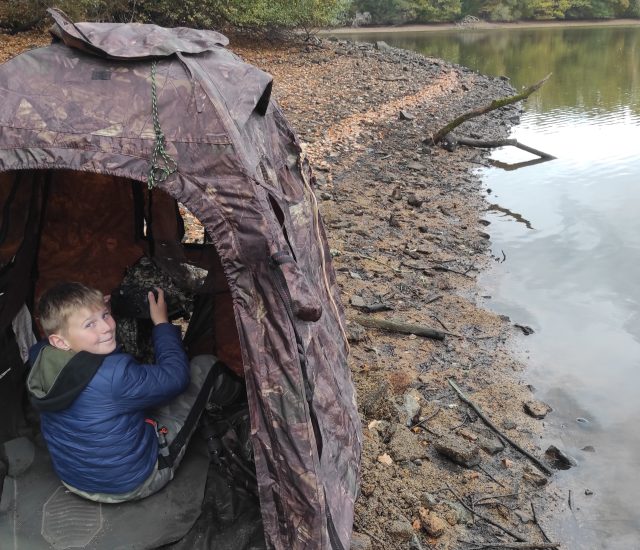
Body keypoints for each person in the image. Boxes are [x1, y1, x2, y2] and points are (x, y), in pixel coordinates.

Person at [26, 281, 237, 503]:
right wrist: (161, 323)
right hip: (131, 483)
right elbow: (176, 377)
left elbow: (89, 355)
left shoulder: (39, 355)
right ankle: (242, 404)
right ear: (59, 341)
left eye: (105, 315)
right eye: (90, 325)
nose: (107, 327)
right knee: (205, 366)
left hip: (73, 478)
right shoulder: (116, 375)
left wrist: (93, 316)